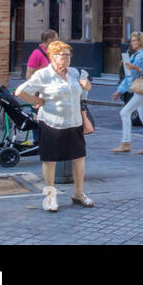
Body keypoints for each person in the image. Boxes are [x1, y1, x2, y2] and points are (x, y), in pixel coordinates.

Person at [16, 40, 93, 211]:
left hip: (73, 122)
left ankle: (78, 194)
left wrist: (87, 85)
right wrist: (39, 101)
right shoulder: (43, 75)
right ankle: (50, 197)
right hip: (51, 122)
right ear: (52, 57)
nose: (67, 58)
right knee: (49, 159)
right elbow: (20, 91)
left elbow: (84, 92)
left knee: (79, 157)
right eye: (63, 55)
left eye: (69, 55)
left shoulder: (74, 73)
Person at [111, 31, 143, 154]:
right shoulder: (134, 56)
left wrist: (135, 68)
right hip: (140, 89)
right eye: (131, 41)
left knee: (124, 112)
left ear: (140, 42)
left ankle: (126, 143)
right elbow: (129, 77)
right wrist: (119, 91)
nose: (131, 43)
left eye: (133, 40)